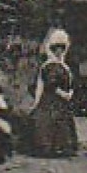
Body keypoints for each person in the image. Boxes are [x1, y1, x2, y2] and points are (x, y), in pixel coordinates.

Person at [28, 28, 79, 157]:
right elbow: (50, 85)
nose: (59, 52)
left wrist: (70, 92)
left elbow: (71, 82)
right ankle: (49, 147)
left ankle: (64, 147)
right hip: (51, 98)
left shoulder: (65, 66)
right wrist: (63, 94)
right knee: (48, 120)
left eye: (62, 49)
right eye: (56, 49)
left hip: (63, 100)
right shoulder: (48, 66)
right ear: (52, 50)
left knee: (64, 121)